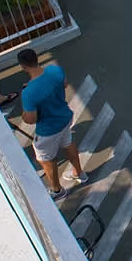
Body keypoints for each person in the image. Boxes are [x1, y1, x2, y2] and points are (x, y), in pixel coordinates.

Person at [18, 47, 82, 200]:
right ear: (36, 58)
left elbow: (31, 119)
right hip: (65, 118)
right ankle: (79, 173)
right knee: (68, 143)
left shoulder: (28, 93)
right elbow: (64, 84)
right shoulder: (55, 70)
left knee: (45, 159)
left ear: (23, 67)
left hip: (48, 130)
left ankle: (57, 190)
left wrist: (24, 114)